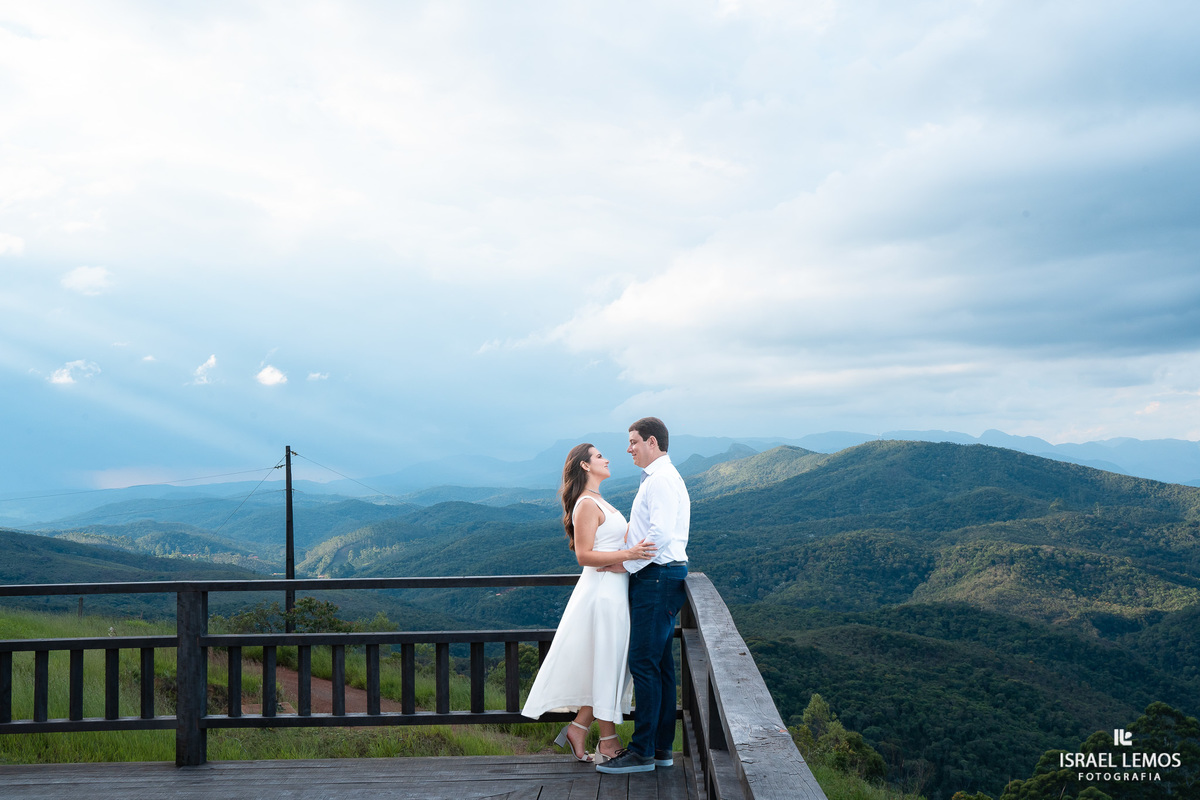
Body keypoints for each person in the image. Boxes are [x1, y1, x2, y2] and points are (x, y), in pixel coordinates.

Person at [521, 443, 656, 763]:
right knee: (608, 665)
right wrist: (630, 554)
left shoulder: (598, 501)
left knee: (610, 666)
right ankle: (606, 741)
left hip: (614, 591)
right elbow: (584, 556)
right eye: (599, 456)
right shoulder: (585, 504)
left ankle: (580, 728)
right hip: (602, 594)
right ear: (584, 466)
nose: (607, 459)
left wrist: (629, 557)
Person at [596, 417, 690, 775]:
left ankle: (642, 752)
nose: (628, 448)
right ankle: (662, 748)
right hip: (662, 577)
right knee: (661, 666)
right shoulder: (660, 477)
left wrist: (626, 565)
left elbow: (660, 535)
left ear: (652, 442)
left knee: (643, 664)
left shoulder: (662, 480)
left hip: (656, 578)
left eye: (633, 441)